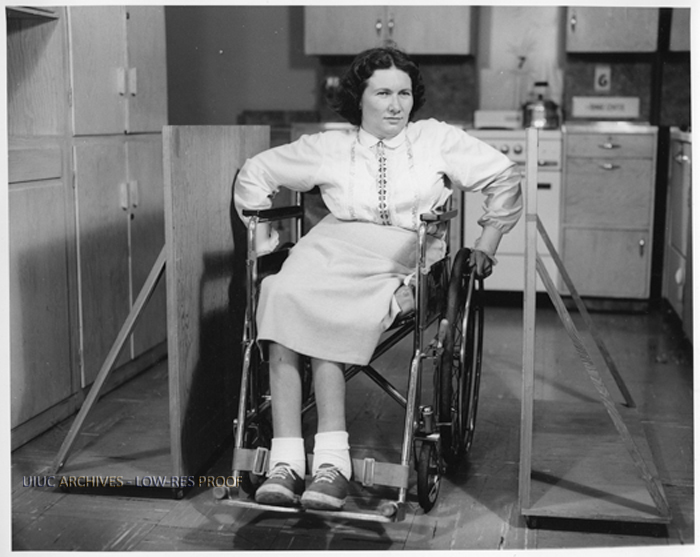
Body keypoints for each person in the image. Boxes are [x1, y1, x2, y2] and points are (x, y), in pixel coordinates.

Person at [234, 47, 522, 511]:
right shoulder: (331, 147)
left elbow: (504, 177)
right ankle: (285, 461)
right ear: (359, 98)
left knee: (329, 308)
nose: (395, 105)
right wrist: (267, 245)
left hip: (404, 252)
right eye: (383, 93)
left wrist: (486, 244)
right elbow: (256, 173)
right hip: (330, 245)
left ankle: (332, 464)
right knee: (280, 290)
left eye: (404, 94)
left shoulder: (435, 139)